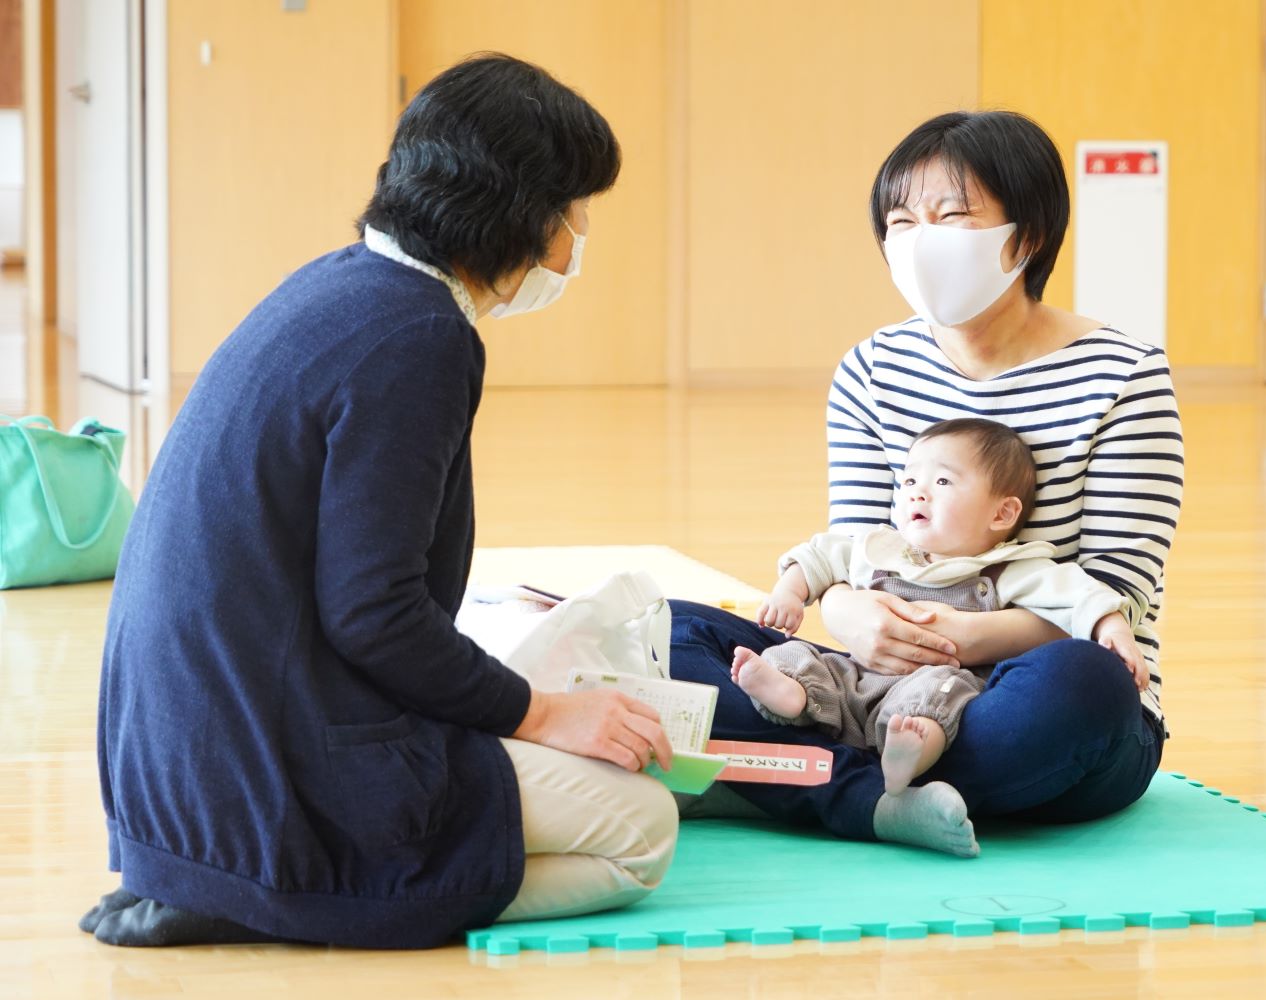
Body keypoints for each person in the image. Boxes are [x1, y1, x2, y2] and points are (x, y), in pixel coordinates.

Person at [81, 54, 679, 950]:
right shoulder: (420, 336)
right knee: (644, 831)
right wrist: (544, 713)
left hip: (178, 765)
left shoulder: (339, 282)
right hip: (262, 771)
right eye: (574, 208)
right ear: (518, 211)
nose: (577, 238)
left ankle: (227, 878)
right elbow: (374, 613)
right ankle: (269, 894)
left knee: (551, 741)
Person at [670, 110, 1181, 859]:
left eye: (952, 216)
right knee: (672, 632)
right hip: (872, 691)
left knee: (1088, 683)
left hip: (1025, 692)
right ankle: (874, 796)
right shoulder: (873, 369)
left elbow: (1115, 589)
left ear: (1027, 235)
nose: (919, 240)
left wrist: (963, 637)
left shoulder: (1125, 375)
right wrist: (846, 614)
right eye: (901, 220)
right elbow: (853, 548)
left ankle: (793, 781)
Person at [732, 418, 1147, 805]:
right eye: (910, 480)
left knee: (940, 693)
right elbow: (818, 557)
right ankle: (793, 695)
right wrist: (789, 592)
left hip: (937, 687)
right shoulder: (881, 549)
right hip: (858, 678)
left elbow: (1081, 594)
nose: (917, 491)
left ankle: (909, 754)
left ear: (1002, 513)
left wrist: (1113, 630)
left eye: (943, 480)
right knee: (790, 656)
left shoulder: (1008, 569)